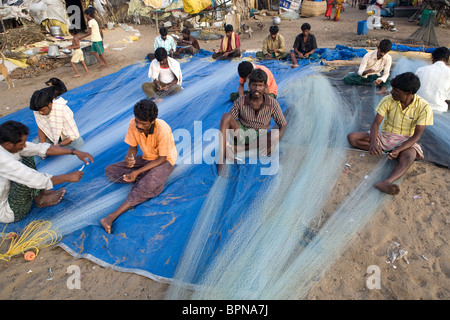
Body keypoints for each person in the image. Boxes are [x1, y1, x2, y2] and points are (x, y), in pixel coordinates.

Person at [347, 72, 433, 195]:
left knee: (409, 157)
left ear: (408, 93)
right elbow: (376, 124)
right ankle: (386, 151)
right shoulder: (388, 100)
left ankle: (387, 181)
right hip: (386, 135)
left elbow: (416, 136)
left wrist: (399, 148)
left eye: (396, 90)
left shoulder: (424, 107)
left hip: (406, 140)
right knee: (352, 138)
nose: (391, 92)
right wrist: (373, 143)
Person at [100, 99, 177, 234]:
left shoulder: (163, 129)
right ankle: (148, 179)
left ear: (152, 121)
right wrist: (130, 157)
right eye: (137, 122)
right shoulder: (133, 124)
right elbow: (132, 147)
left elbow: (162, 159)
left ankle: (111, 217)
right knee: (110, 171)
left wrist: (137, 172)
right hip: (146, 159)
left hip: (164, 162)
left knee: (145, 185)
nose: (139, 126)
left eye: (143, 123)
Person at [0, 120, 94, 223]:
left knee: (25, 155)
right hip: (8, 211)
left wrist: (74, 151)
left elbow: (37, 148)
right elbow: (34, 179)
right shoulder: (4, 160)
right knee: (26, 179)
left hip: (7, 190)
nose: (24, 146)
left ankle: (38, 192)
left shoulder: (5, 145)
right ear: (8, 144)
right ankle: (40, 199)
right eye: (21, 144)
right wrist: (68, 177)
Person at [218, 69, 287, 175]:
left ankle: (238, 149)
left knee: (274, 134)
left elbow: (283, 124)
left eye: (260, 85)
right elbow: (229, 120)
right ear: (249, 85)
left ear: (265, 87)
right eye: (254, 85)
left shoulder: (273, 103)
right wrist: (226, 143)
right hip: (240, 133)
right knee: (226, 116)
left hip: (260, 138)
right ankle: (221, 160)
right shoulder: (241, 100)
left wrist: (275, 142)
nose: (257, 89)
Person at [30, 87, 84, 152]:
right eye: (38, 111)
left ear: (49, 104)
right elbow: (41, 125)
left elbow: (72, 136)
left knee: (78, 147)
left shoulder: (63, 110)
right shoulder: (38, 110)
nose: (40, 113)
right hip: (52, 137)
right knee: (36, 147)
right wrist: (42, 144)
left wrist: (57, 146)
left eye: (42, 110)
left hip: (68, 139)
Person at [415, 46, 450, 113]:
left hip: (419, 108)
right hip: (439, 109)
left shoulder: (421, 70)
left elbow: (414, 90)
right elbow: (448, 97)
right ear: (447, 60)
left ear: (433, 59)